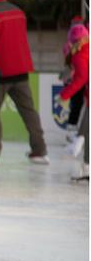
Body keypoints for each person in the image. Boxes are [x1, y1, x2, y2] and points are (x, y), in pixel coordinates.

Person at [0, 0, 48, 166]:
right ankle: (40, 151)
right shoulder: (18, 12)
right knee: (29, 112)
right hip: (21, 70)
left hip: (0, 72)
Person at [57, 24, 89, 180]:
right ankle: (87, 166)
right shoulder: (83, 51)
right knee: (85, 132)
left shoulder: (80, 55)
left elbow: (81, 79)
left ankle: (86, 164)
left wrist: (64, 94)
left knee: (85, 131)